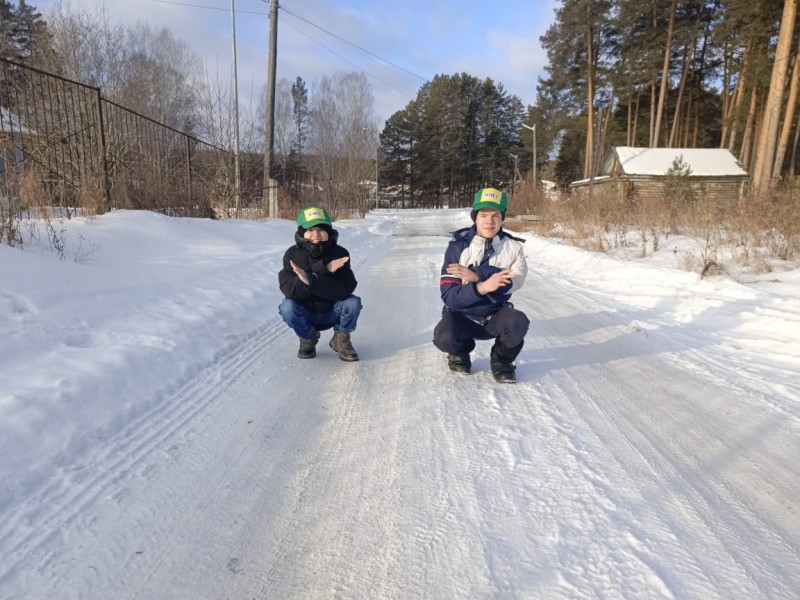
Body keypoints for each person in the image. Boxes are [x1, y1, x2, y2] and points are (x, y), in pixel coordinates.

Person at [433, 187, 529, 383]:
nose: (489, 221)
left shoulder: (513, 248)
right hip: (462, 316)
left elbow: (513, 283)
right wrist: (483, 286)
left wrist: (476, 275)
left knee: (518, 321)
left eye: (495, 215)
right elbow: (450, 295)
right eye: (483, 215)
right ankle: (459, 353)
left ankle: (502, 361)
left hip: (495, 315)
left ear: (502, 219)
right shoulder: (457, 248)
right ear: (475, 218)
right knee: (444, 335)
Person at [278, 206, 361, 361]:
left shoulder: (339, 253)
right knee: (287, 306)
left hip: (332, 311)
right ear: (302, 232)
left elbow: (345, 289)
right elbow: (291, 291)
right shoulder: (292, 255)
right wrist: (323, 270)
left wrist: (311, 280)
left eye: (320, 229)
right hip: (307, 313)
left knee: (353, 303)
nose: (315, 234)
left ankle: (341, 340)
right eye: (310, 229)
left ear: (328, 232)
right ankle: (308, 338)